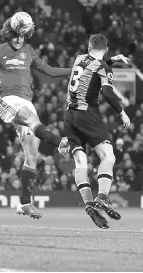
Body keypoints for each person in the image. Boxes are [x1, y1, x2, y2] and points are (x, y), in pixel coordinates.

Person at [0, 12, 72, 219]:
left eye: (23, 36)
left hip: (27, 101)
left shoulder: (29, 51)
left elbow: (51, 71)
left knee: (32, 153)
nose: (19, 40)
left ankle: (25, 203)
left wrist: (74, 70)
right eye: (16, 35)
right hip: (7, 101)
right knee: (30, 117)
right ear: (9, 33)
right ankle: (59, 142)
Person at [64, 34, 130, 229]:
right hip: (88, 115)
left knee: (80, 162)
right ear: (106, 48)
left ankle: (89, 204)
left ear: (89, 46)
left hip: (69, 116)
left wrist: (112, 60)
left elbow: (93, 66)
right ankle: (102, 196)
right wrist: (122, 112)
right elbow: (108, 92)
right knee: (108, 156)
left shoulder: (79, 58)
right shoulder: (104, 68)